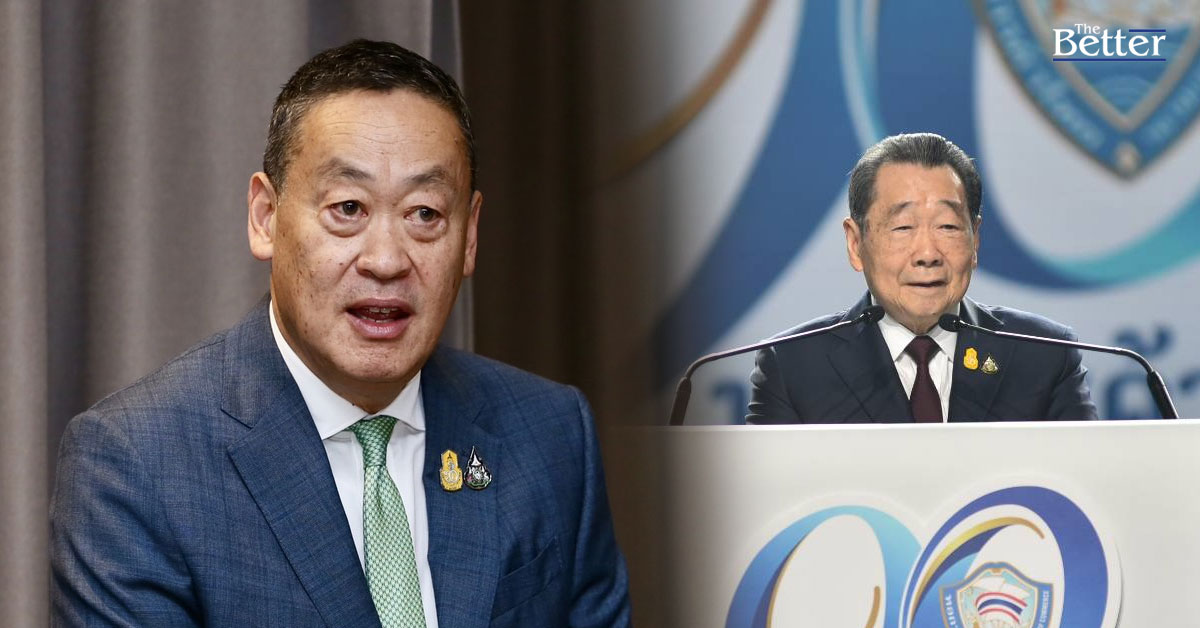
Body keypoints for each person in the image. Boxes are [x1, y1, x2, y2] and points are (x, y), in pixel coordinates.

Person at [51, 39, 631, 627]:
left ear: (470, 236)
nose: (386, 260)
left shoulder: (552, 433)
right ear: (266, 217)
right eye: (348, 208)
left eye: (425, 214)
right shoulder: (137, 462)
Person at [747, 133, 1098, 424]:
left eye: (947, 226)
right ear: (855, 244)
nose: (927, 254)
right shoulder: (793, 366)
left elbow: (1085, 481)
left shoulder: (1043, 355)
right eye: (903, 227)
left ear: (975, 239)